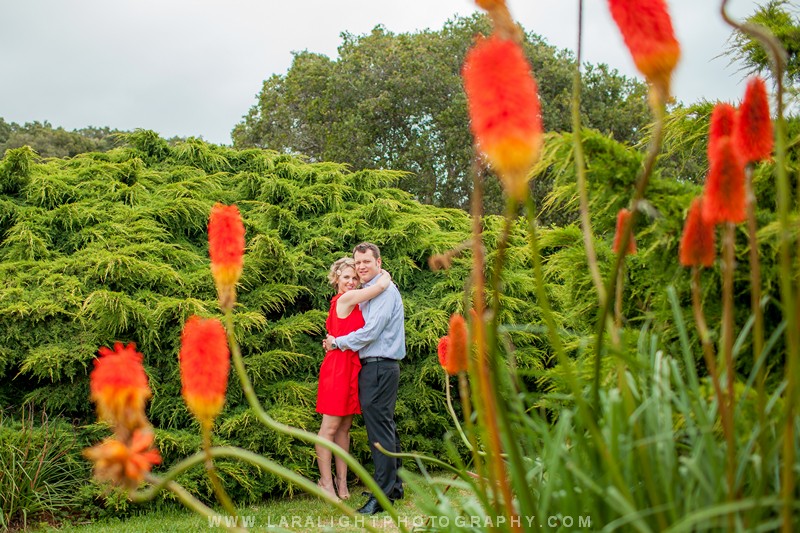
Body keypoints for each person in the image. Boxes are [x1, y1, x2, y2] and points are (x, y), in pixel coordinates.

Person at [323, 242, 405, 515]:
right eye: (358, 263)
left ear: (378, 262)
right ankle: (394, 487)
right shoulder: (370, 292)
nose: (360, 267)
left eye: (366, 262)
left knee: (379, 429)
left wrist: (337, 343)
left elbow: (369, 333)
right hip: (372, 366)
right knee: (385, 426)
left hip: (380, 365)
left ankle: (383, 496)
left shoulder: (385, 292)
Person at [316, 257, 392, 501]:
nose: (351, 281)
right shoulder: (346, 299)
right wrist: (385, 275)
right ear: (336, 279)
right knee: (329, 428)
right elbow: (379, 288)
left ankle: (343, 484)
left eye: (355, 278)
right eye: (346, 277)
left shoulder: (353, 302)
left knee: (344, 429)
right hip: (338, 368)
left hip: (350, 367)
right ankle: (325, 484)